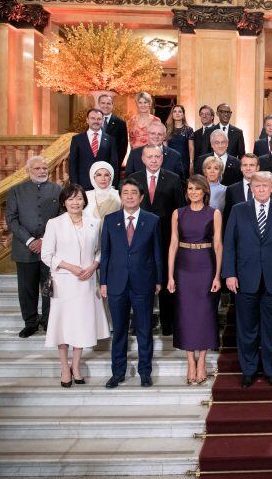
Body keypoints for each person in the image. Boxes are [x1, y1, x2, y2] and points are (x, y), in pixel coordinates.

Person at [223, 171, 272, 387]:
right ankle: (248, 370)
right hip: (245, 278)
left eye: (266, 185)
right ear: (251, 188)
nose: (262, 189)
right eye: (257, 186)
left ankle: (271, 370)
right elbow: (229, 245)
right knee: (246, 328)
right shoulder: (239, 210)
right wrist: (229, 273)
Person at [41, 183, 109, 387]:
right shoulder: (54, 223)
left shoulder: (94, 223)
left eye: (79, 198)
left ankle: (76, 365)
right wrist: (71, 267)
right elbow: (47, 255)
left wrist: (94, 265)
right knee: (63, 325)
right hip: (64, 282)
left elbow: (100, 250)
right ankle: (64, 367)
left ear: (84, 201)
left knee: (80, 324)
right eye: (71, 199)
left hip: (86, 281)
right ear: (64, 202)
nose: (75, 202)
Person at [100, 178, 163, 389]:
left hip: (143, 283)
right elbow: (106, 254)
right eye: (125, 192)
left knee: (144, 329)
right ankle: (117, 373)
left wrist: (158, 280)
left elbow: (157, 254)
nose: (129, 196)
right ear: (120, 196)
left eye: (133, 192)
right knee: (119, 330)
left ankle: (145, 372)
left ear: (141, 196)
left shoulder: (152, 220)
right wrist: (103, 282)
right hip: (116, 283)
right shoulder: (110, 220)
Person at [167, 175, 222, 385]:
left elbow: (218, 245)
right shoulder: (178, 214)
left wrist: (217, 274)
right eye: (190, 189)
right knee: (186, 314)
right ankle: (191, 360)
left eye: (197, 189)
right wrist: (170, 275)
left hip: (206, 266)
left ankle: (203, 361)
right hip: (184, 266)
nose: (193, 193)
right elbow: (173, 243)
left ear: (205, 192)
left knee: (206, 314)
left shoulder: (214, 213)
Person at [127, 145, 185, 336]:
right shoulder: (133, 179)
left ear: (162, 158)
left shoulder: (173, 178)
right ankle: (139, 323)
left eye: (157, 156)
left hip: (167, 237)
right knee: (140, 280)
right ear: (142, 158)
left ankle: (168, 324)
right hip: (138, 239)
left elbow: (179, 210)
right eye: (149, 157)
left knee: (168, 278)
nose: (153, 160)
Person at [5, 156, 62, 338]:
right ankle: (30, 323)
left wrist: (45, 240)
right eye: (37, 168)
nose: (42, 171)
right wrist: (30, 240)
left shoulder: (58, 190)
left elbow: (62, 217)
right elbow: (11, 219)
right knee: (27, 289)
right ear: (28, 171)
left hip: (51, 248)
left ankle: (48, 322)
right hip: (24, 249)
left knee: (49, 287)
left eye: (45, 168)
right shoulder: (16, 191)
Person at [69, 108, 119, 190]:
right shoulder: (77, 139)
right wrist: (75, 186)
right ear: (87, 120)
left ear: (103, 120)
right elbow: (73, 165)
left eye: (99, 119)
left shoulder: (110, 140)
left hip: (104, 186)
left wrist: (113, 186)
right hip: (83, 187)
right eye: (93, 118)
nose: (96, 121)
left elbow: (114, 165)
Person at [223, 153, 259, 226]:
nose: (248, 168)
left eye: (251, 165)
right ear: (241, 168)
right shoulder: (231, 190)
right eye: (245, 165)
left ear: (257, 168)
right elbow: (228, 218)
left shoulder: (266, 189)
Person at [85, 161, 122, 225]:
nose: (103, 179)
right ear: (93, 177)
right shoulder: (85, 195)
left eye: (106, 175)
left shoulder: (119, 195)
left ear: (111, 177)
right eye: (99, 175)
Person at [98, 94, 128, 170]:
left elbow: (123, 147)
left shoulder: (120, 123)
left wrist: (117, 164)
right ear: (99, 104)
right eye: (103, 103)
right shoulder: (93, 121)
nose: (106, 106)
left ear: (112, 105)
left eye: (108, 103)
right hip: (95, 163)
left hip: (112, 165)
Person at [165, 104, 194, 179]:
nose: (177, 113)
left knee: (183, 183)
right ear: (172, 114)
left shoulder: (189, 130)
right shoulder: (166, 129)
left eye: (180, 112)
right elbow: (165, 147)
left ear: (183, 115)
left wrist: (191, 162)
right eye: (175, 111)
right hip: (170, 160)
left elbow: (191, 148)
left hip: (184, 161)